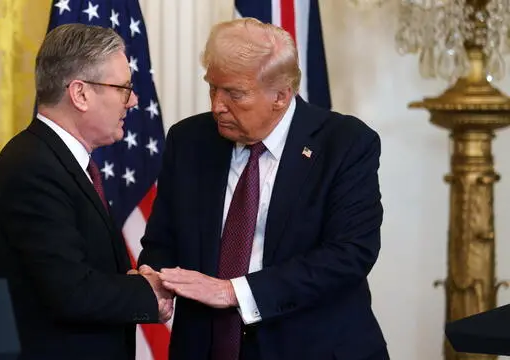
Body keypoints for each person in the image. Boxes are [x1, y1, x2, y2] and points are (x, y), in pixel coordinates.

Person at [138, 18, 388, 360]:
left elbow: (348, 255)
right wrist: (156, 278)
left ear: (281, 96)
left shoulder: (344, 144)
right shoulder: (189, 140)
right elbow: (162, 241)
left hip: (311, 346)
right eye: (213, 87)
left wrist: (234, 292)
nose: (217, 106)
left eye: (234, 94)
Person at [0, 23, 173, 360]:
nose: (134, 100)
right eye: (123, 87)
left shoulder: (57, 161)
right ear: (80, 94)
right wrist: (146, 293)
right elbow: (70, 291)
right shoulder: (33, 169)